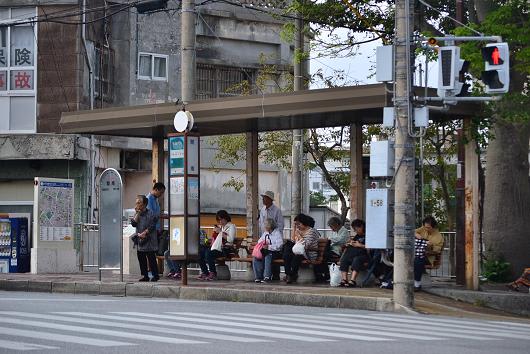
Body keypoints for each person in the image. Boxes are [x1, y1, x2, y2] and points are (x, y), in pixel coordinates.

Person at [197, 210, 237, 281]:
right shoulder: (221, 227)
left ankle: (213, 273)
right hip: (217, 248)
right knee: (200, 252)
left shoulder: (231, 226)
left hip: (225, 249)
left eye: (221, 219)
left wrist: (220, 232)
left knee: (209, 253)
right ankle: (205, 272)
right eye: (219, 220)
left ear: (226, 218)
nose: (220, 221)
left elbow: (230, 239)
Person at [283, 213, 320, 284]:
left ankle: (291, 275)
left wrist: (299, 236)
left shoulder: (311, 231)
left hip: (308, 254)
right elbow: (293, 240)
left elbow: (306, 245)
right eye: (296, 224)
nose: (297, 226)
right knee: (287, 253)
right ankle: (288, 274)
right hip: (299, 252)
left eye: (298, 224)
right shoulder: (299, 230)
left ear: (304, 223)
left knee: (296, 256)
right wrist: (294, 229)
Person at [131, 195, 159, 282]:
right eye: (136, 203)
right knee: (141, 257)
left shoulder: (150, 213)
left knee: (151, 258)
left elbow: (152, 225)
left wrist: (145, 232)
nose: (137, 205)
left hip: (149, 239)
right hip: (140, 239)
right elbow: (133, 224)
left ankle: (155, 275)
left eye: (139, 203)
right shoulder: (137, 213)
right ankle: (145, 275)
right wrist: (138, 213)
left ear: (145, 204)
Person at [338, 219, 368, 287]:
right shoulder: (357, 236)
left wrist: (360, 245)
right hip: (354, 254)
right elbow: (353, 242)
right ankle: (344, 279)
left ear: (361, 227)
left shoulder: (369, 235)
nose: (355, 231)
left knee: (357, 259)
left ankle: (352, 280)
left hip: (365, 256)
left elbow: (372, 248)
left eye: (355, 229)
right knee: (345, 259)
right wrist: (350, 244)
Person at [252, 218, 284, 283]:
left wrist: (269, 247)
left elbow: (279, 245)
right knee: (256, 257)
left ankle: (267, 276)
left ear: (271, 226)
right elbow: (259, 241)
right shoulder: (266, 233)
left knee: (268, 255)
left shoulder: (277, 233)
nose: (265, 226)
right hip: (266, 251)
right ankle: (258, 277)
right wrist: (264, 242)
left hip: (276, 252)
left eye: (266, 225)